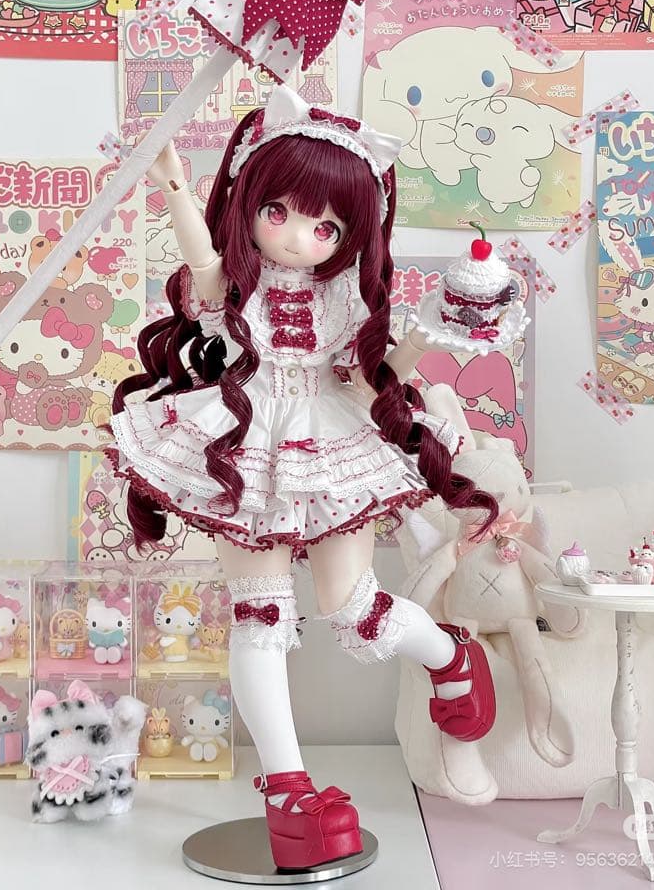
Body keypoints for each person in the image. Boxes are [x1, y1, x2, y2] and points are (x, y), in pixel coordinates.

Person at [108, 85, 498, 870]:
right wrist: (175, 185)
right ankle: (288, 789)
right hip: (242, 436)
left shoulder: (347, 296)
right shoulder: (234, 287)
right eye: (277, 212)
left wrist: (434, 333)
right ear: (249, 204)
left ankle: (448, 656)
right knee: (258, 616)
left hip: (329, 436)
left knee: (353, 612)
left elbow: (374, 371)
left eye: (326, 227)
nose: (297, 237)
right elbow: (203, 261)